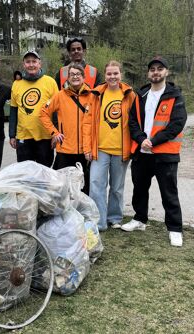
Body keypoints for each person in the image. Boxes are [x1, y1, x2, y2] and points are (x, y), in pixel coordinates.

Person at [121, 56, 187, 247]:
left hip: (165, 153)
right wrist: (142, 140)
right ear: (148, 73)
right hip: (142, 152)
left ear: (166, 72)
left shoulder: (175, 96)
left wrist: (154, 141)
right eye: (152, 69)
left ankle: (175, 229)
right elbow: (132, 121)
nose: (155, 72)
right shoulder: (140, 95)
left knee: (169, 192)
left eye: (160, 69)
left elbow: (177, 124)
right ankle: (140, 220)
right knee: (139, 189)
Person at [83, 60, 136, 231]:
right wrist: (87, 148)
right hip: (100, 149)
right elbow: (87, 123)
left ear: (121, 75)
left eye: (115, 73)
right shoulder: (96, 94)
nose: (112, 76)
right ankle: (99, 221)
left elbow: (136, 123)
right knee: (96, 184)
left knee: (117, 187)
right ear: (104, 76)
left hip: (121, 150)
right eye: (109, 74)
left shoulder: (130, 95)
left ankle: (114, 217)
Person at [39, 63, 95, 194]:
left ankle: (83, 212)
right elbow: (43, 113)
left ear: (84, 77)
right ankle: (63, 212)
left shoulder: (92, 96)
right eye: (72, 74)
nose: (75, 77)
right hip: (65, 150)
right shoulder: (60, 95)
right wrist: (54, 132)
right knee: (62, 186)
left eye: (78, 74)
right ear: (68, 78)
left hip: (85, 150)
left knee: (84, 185)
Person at [9, 50, 59, 167]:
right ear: (23, 64)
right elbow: (13, 110)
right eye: (28, 62)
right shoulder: (17, 83)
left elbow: (57, 111)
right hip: (24, 137)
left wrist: (55, 133)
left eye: (34, 61)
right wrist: (12, 135)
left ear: (39, 63)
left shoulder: (50, 82)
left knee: (44, 173)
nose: (31, 64)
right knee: (26, 174)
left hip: (45, 136)